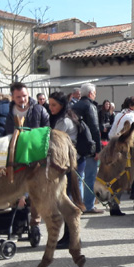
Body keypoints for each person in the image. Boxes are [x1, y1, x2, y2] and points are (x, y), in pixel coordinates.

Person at [4, 82, 50, 227]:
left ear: (28, 94)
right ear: (13, 97)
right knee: (13, 189)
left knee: (35, 190)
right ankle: (16, 222)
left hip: (34, 156)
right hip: (13, 157)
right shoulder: (7, 112)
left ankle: (35, 223)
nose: (22, 99)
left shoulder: (39, 110)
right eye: (18, 97)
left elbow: (46, 131)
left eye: (24, 96)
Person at [48, 91, 85, 249]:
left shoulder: (64, 121)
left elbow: (55, 143)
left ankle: (71, 237)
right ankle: (69, 236)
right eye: (49, 104)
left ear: (62, 105)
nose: (50, 108)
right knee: (69, 197)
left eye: (54, 105)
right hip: (72, 160)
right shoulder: (67, 117)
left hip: (68, 162)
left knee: (67, 200)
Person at [71, 83, 103, 214]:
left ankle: (77, 204)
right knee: (90, 176)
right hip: (89, 146)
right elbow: (95, 128)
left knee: (78, 177)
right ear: (91, 94)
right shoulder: (90, 106)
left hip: (76, 145)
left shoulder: (74, 106)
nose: (95, 95)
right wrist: (98, 150)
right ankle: (88, 205)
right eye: (94, 93)